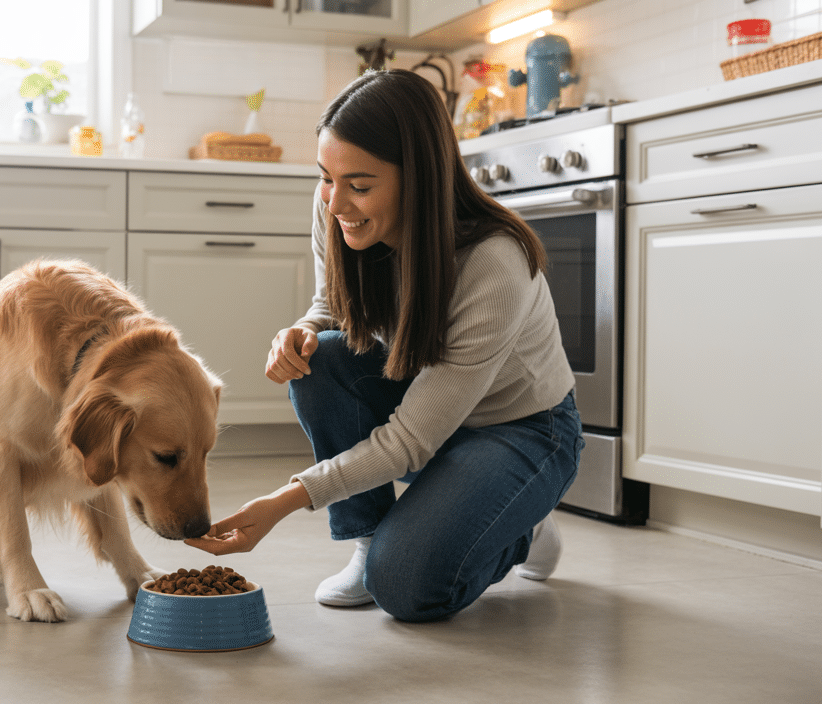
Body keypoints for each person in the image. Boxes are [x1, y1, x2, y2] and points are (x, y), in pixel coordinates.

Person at [185, 69, 584, 623]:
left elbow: (411, 439)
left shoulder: (493, 263)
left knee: (406, 588)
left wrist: (286, 500)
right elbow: (331, 305)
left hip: (522, 429)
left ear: (419, 179)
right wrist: (301, 330)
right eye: (326, 178)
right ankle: (369, 539)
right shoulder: (336, 208)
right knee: (323, 357)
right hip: (428, 407)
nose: (336, 203)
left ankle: (520, 527)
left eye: (360, 186)